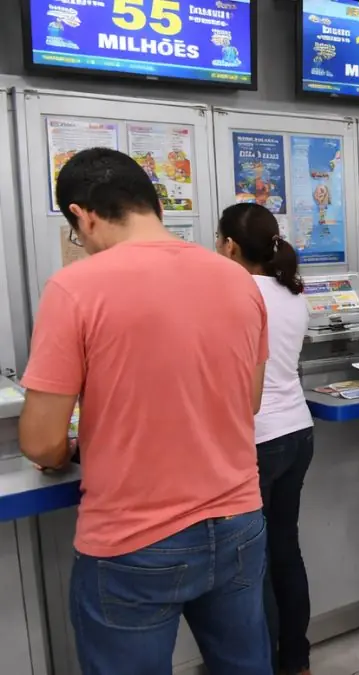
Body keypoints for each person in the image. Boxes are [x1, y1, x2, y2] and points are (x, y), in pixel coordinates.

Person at [18, 148, 272, 674]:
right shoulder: (236, 280)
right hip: (238, 521)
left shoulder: (75, 287)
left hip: (133, 540)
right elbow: (248, 403)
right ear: (153, 203)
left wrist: (68, 450)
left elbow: (41, 442)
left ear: (81, 214)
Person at [217, 204, 315, 675]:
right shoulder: (293, 292)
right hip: (297, 430)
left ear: (230, 246)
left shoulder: (234, 295)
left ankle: (265, 663)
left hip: (257, 439)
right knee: (285, 550)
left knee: (252, 564)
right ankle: (295, 659)